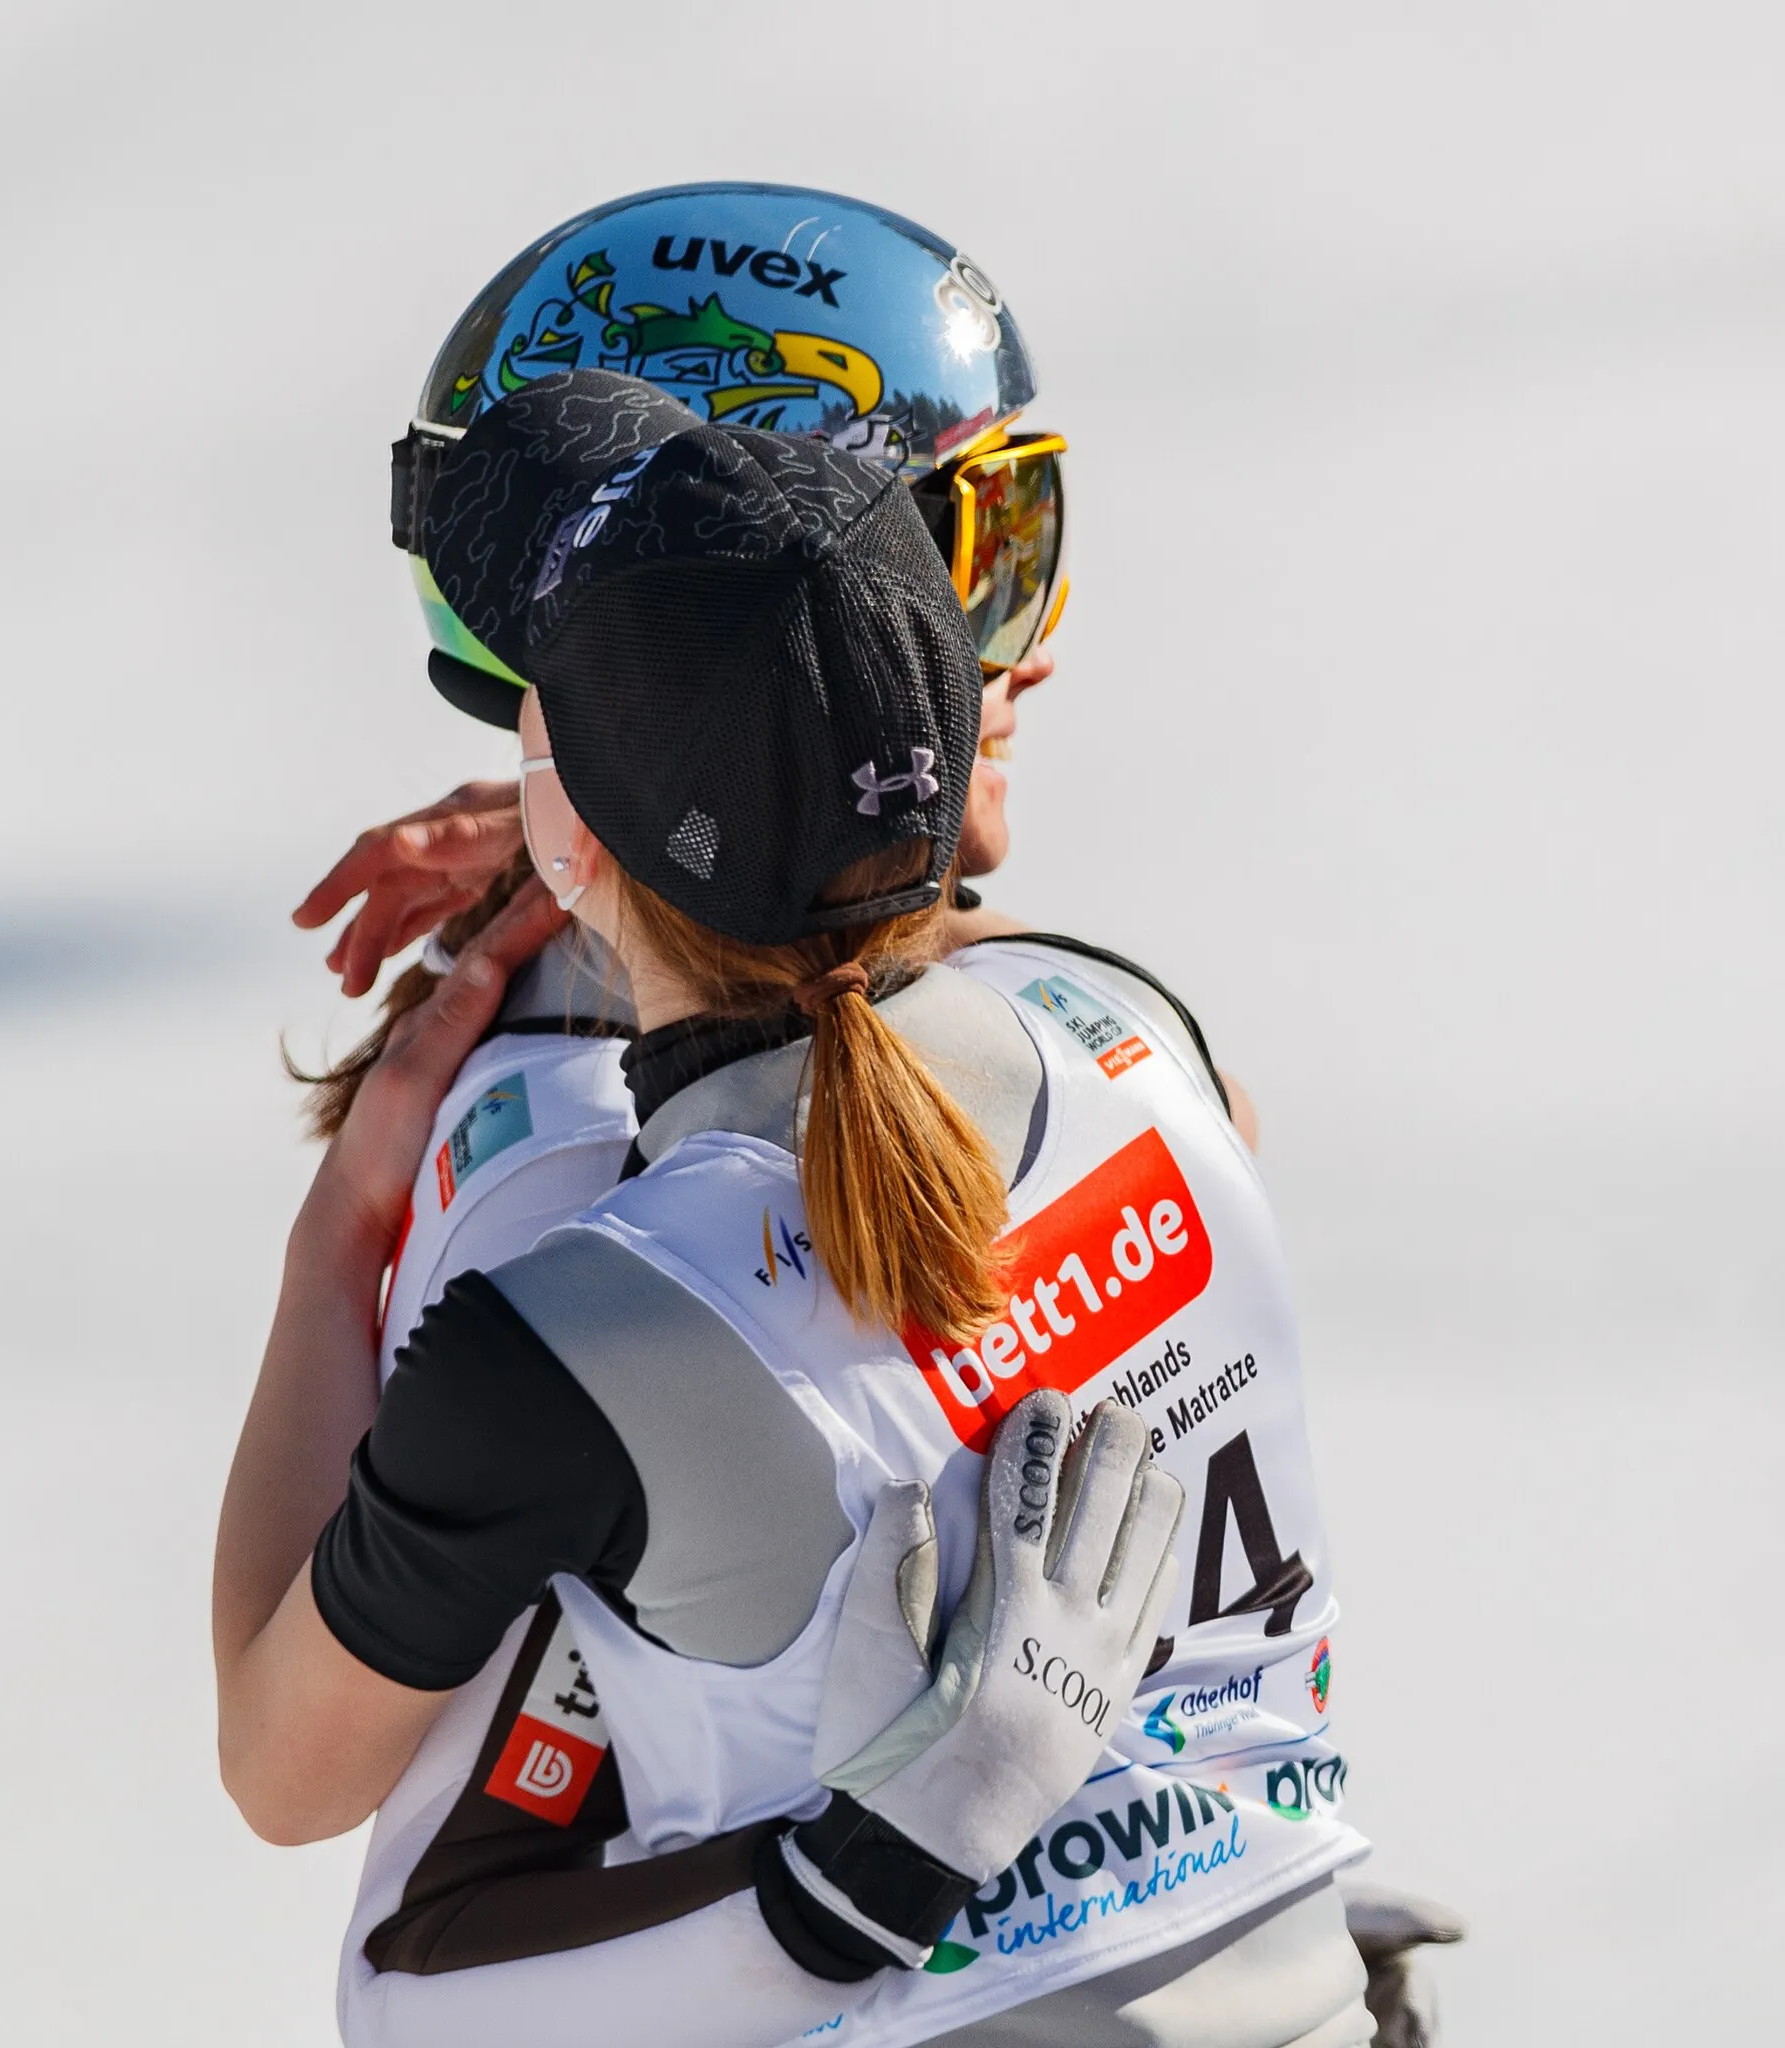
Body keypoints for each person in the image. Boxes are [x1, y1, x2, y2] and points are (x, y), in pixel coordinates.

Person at [216, 369, 1376, 2045]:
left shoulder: (574, 1335)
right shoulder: (1146, 1039)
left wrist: (334, 1255)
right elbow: (926, 999)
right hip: (1305, 1987)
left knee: (398, 2001)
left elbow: (284, 1765)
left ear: (568, 824)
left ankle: (849, 1891)